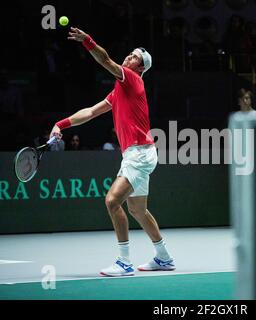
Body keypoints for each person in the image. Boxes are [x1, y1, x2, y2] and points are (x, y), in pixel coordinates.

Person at [50, 27, 175, 277]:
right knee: (138, 210)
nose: (129, 57)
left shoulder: (132, 79)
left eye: (135, 57)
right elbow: (91, 112)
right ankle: (164, 257)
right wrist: (60, 124)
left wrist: (87, 41)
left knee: (111, 201)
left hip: (139, 154)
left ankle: (124, 262)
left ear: (141, 68)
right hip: (138, 153)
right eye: (129, 54)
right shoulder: (119, 90)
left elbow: (105, 60)